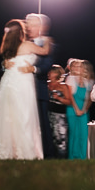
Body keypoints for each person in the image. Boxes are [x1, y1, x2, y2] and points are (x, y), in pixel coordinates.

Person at [0, 19, 51, 160]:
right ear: (21, 32)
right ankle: (23, 152)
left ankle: (8, 151)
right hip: (22, 82)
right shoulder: (27, 45)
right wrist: (47, 40)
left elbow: (6, 60)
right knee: (24, 116)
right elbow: (45, 51)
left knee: (8, 117)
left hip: (8, 82)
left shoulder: (5, 48)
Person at [24, 13, 57, 158]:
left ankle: (46, 154)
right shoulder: (23, 42)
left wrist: (34, 69)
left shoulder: (48, 44)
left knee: (42, 125)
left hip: (39, 91)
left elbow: (47, 65)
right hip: (23, 90)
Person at [65, 59, 93, 159]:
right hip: (72, 109)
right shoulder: (70, 79)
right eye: (76, 66)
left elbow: (88, 98)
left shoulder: (87, 81)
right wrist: (77, 109)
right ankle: (72, 157)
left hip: (83, 110)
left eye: (80, 66)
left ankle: (82, 157)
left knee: (83, 134)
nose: (78, 68)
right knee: (74, 133)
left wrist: (84, 109)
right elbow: (70, 96)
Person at [46, 65, 71, 159]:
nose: (48, 74)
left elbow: (69, 101)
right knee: (49, 138)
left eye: (51, 72)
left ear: (57, 73)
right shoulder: (45, 84)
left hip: (60, 116)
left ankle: (62, 160)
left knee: (61, 139)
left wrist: (59, 98)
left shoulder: (63, 86)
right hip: (47, 114)